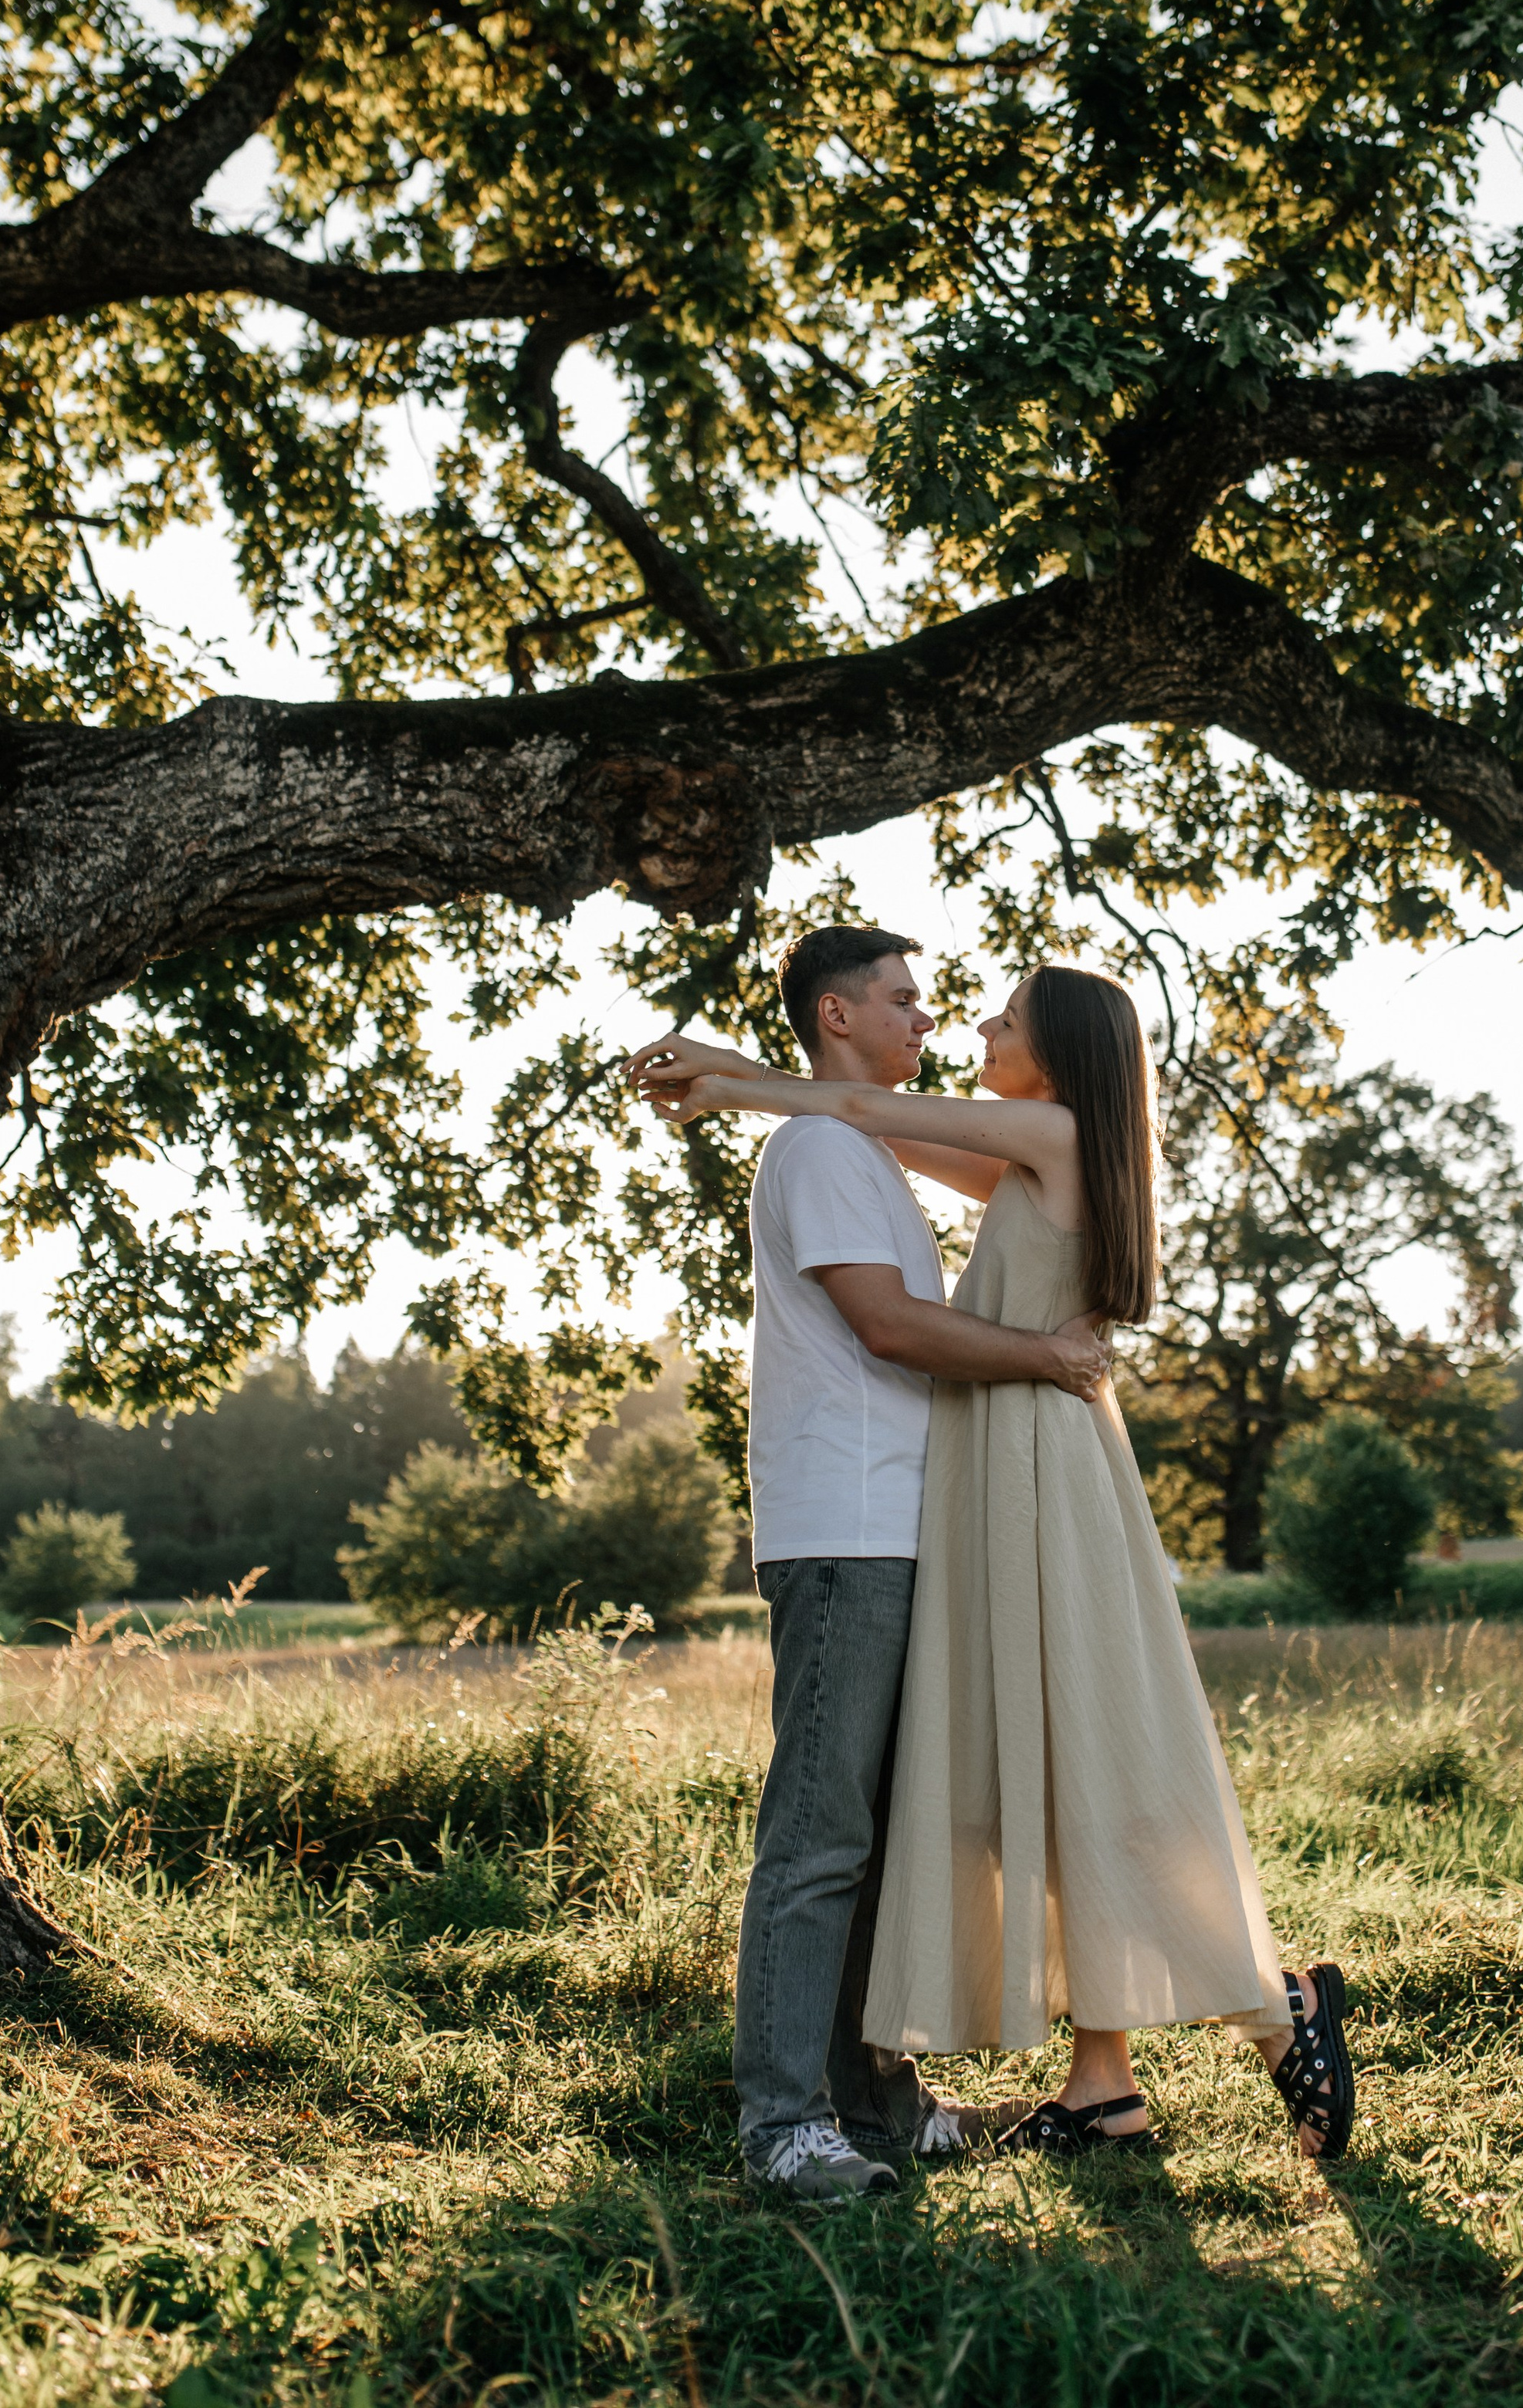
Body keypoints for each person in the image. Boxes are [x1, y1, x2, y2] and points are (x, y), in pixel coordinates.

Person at [635, 960, 1355, 2167]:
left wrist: (727, 1080)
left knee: (1089, 1758)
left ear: (1057, 1052)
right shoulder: (1040, 1159)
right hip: (1011, 1464)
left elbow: (859, 1106)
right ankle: (1103, 2085)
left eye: (1005, 1017)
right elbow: (872, 1123)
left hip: (1040, 1465)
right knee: (1049, 1763)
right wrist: (750, 1075)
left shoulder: (1054, 1132)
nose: (973, 1021)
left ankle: (1274, 2007)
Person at [628, 927, 1112, 2202]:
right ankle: (784, 2126)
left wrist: (734, 1070)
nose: (927, 1020)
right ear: (837, 1016)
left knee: (882, 1837)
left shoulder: (866, 1147)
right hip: (847, 1531)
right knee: (820, 1834)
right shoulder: (824, 1151)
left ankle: (879, 2106)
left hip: (899, 1524)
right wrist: (1051, 1359)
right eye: (903, 1000)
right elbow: (890, 1327)